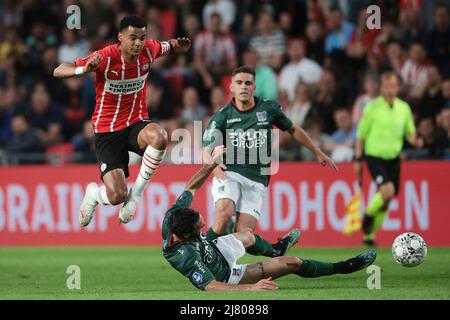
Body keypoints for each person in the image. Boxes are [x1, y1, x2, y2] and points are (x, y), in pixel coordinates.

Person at [163, 145, 377, 291]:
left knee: (248, 235)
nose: (204, 224)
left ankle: (276, 248)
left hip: (216, 249)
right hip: (226, 275)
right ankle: (345, 266)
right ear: (188, 236)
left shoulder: (173, 217)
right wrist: (250, 288)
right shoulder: (185, 257)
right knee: (293, 263)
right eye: (200, 226)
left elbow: (191, 186)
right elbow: (210, 286)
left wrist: (210, 165)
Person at [53, 15, 191, 226]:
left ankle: (135, 197)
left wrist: (178, 45)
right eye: (133, 38)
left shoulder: (149, 50)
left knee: (160, 136)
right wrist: (84, 69)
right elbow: (58, 70)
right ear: (120, 38)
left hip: (136, 123)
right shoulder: (105, 57)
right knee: (117, 195)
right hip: (107, 130)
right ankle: (94, 195)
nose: (138, 43)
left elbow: (169, 46)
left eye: (142, 38)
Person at [202, 66, 337, 258]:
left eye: (248, 83)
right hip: (229, 172)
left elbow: (293, 129)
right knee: (223, 214)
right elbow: (206, 150)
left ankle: (276, 249)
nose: (244, 87)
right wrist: (212, 166)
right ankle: (204, 254)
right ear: (231, 87)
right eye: (239, 83)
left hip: (257, 178)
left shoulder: (268, 108)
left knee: (245, 237)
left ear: (254, 87)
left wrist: (317, 151)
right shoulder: (223, 115)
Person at [355, 72, 423, 246]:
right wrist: (357, 159)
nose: (390, 89)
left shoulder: (404, 108)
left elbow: (410, 133)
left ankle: (369, 236)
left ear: (398, 87)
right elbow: (361, 135)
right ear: (381, 88)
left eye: (393, 86)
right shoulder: (372, 107)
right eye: (387, 86)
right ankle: (368, 216)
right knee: (388, 191)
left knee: (387, 200)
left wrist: (416, 140)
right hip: (374, 156)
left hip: (394, 158)